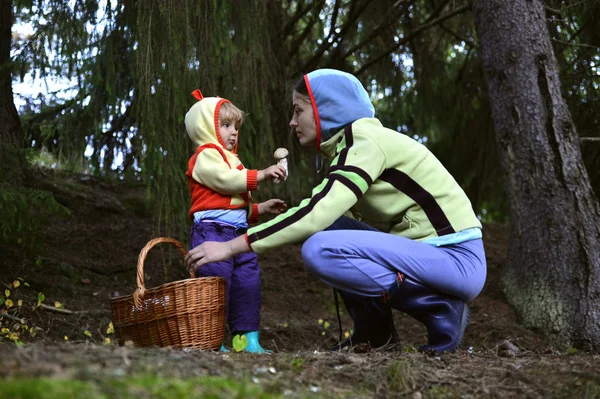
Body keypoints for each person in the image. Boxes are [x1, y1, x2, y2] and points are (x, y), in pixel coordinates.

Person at [184, 70, 487, 354]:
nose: (292, 122)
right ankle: (375, 332)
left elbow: (316, 212)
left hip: (456, 257)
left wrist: (230, 246)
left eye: (298, 111)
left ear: (324, 110)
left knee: (320, 249)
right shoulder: (350, 148)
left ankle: (440, 307)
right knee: (330, 231)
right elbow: (333, 220)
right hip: (431, 254)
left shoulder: (365, 143)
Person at [184, 89, 286, 353]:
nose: (233, 132)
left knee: (247, 284)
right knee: (216, 284)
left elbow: (232, 205)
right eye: (226, 125)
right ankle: (212, 339)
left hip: (238, 233)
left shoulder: (232, 159)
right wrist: (261, 174)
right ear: (207, 127)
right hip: (212, 233)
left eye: (236, 127)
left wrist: (260, 208)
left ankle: (247, 339)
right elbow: (225, 182)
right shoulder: (205, 155)